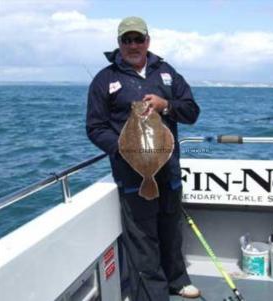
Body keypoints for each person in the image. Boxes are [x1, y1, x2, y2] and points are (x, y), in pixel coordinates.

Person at [86, 16, 200, 301]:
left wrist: (166, 106)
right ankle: (153, 295)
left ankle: (177, 279)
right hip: (131, 175)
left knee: (171, 229)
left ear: (148, 40)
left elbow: (192, 112)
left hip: (168, 170)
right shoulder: (105, 79)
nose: (133, 45)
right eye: (127, 40)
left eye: (138, 39)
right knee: (143, 239)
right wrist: (125, 150)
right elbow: (95, 128)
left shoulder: (167, 73)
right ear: (119, 44)